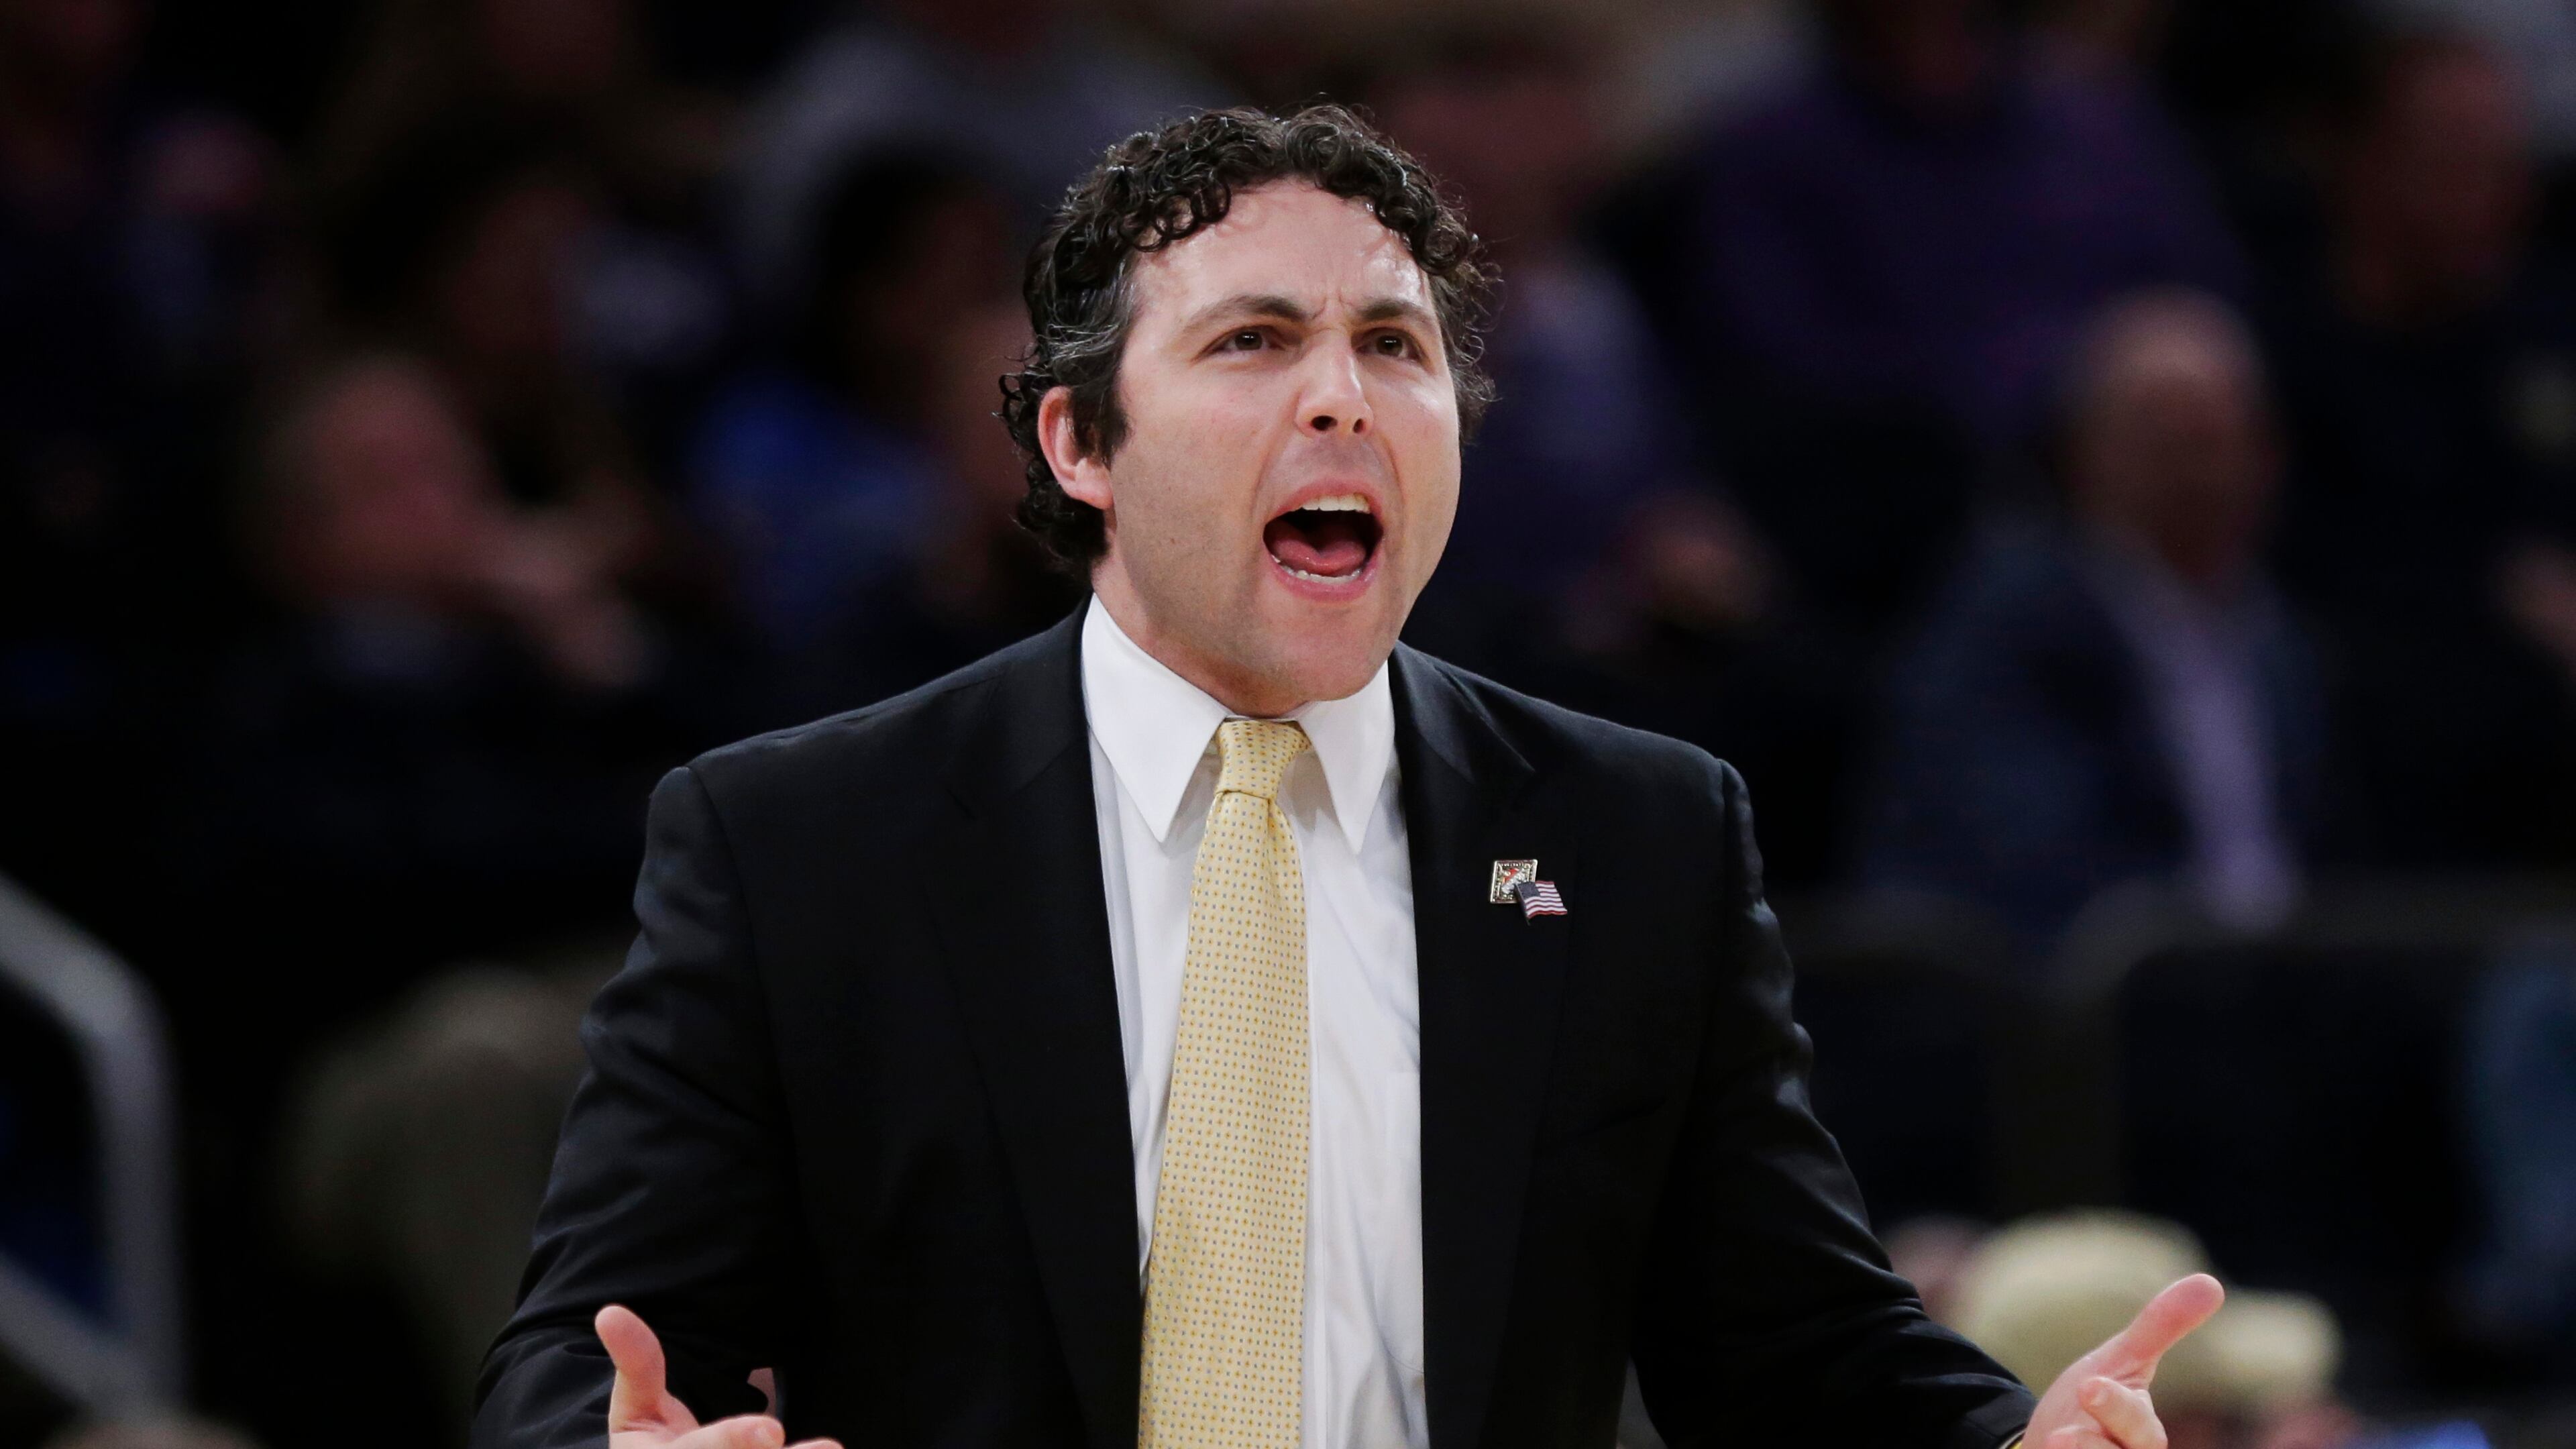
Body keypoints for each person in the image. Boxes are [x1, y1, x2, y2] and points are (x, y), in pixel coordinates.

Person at [471, 106, 2218, 1449]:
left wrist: (2008, 1437)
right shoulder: (797, 841)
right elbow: (590, 1349)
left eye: (1394, 346)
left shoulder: (1635, 833)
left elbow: (1790, 1344)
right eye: (1251, 343)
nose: (1346, 400)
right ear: (1079, 440)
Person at [1862, 289, 2326, 952]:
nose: (2196, 476)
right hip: (2091, 1006)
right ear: (2083, 451)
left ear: (2265, 455)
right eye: (2161, 442)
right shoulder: (2013, 621)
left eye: (2213, 440)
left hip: (2261, 998)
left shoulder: (2277, 637)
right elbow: (2019, 856)